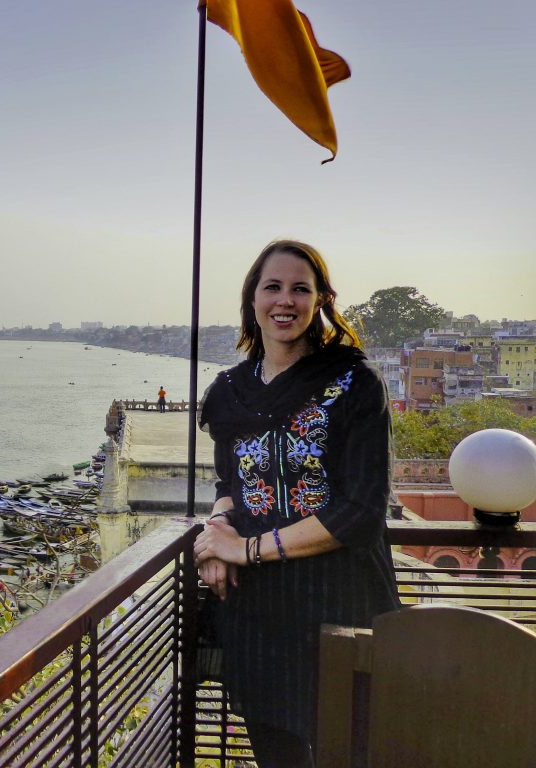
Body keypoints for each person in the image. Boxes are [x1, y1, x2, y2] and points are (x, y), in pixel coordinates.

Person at [194, 240, 400, 768]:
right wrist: (216, 533)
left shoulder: (353, 383)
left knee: (352, 747)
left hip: (342, 601)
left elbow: (361, 511)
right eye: (273, 287)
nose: (285, 301)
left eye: (300, 289)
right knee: (278, 753)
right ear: (253, 299)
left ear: (321, 300)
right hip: (259, 613)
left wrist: (247, 550)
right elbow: (228, 481)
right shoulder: (229, 391)